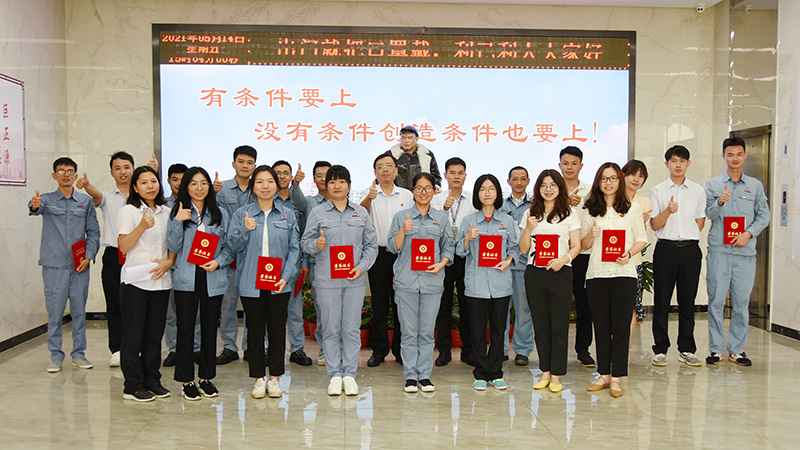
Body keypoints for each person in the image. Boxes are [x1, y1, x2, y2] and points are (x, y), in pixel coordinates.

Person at [301, 165, 378, 396]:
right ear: (326, 186)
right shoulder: (318, 213)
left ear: (349, 185)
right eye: (332, 182)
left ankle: (350, 374)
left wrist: (361, 267)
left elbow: (371, 245)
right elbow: (305, 243)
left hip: (354, 280)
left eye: (341, 181)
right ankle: (335, 374)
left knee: (351, 329)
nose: (337, 186)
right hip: (327, 281)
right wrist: (317, 245)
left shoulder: (360, 213)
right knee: (330, 328)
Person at [76, 151, 158, 367]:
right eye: (118, 168)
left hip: (141, 255)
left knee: (141, 305)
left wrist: (152, 175)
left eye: (127, 167)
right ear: (111, 172)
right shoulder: (107, 197)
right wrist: (86, 184)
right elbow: (95, 193)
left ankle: (139, 348)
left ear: (133, 169)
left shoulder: (144, 196)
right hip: (115, 256)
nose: (123, 172)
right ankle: (117, 349)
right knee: (114, 304)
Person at [229, 165, 300, 398]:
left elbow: (294, 248)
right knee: (255, 331)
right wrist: (245, 229)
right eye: (259, 182)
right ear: (253, 186)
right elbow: (232, 246)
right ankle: (258, 378)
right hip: (251, 282)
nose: (265, 186)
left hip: (279, 282)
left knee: (278, 331)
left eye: (270, 181)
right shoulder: (242, 214)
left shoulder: (287, 214)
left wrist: (286, 276)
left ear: (276, 185)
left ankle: (276, 378)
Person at [167, 167, 234, 400]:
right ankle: (186, 380)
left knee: (209, 328)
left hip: (212, 276)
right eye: (194, 183)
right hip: (186, 277)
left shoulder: (220, 213)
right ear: (186, 187)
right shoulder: (178, 211)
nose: (199, 188)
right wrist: (178, 222)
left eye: (204, 183)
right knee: (186, 329)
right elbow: (172, 246)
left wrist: (218, 261)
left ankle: (206, 377)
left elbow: (230, 247)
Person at [581, 163, 647, 398]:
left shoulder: (632, 208)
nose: (608, 183)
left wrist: (629, 253)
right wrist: (591, 235)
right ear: (598, 182)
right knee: (600, 327)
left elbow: (642, 239)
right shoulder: (590, 208)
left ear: (620, 180)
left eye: (612, 178)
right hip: (597, 275)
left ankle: (617, 377)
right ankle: (603, 375)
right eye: (603, 179)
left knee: (620, 328)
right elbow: (583, 245)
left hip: (624, 274)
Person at [29, 157, 101, 373]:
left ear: (76, 175)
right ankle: (55, 356)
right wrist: (34, 205)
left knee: (79, 312)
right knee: (55, 312)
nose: (66, 174)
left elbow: (94, 232)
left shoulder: (85, 201)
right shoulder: (47, 200)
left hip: (79, 266)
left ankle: (79, 354)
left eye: (70, 171)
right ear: (54, 175)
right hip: (54, 266)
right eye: (61, 171)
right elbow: (36, 207)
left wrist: (89, 256)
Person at [704, 137, 770, 366]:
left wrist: (748, 233)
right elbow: (709, 215)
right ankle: (716, 350)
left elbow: (764, 215)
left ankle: (737, 350)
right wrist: (719, 203)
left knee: (741, 303)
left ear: (744, 156)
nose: (734, 158)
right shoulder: (713, 184)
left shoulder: (755, 186)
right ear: (723, 156)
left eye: (738, 154)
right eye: (730, 154)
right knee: (716, 302)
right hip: (719, 252)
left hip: (745, 253)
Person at [387, 172, 454, 392]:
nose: (423, 192)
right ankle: (410, 376)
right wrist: (403, 231)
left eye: (428, 188)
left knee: (426, 332)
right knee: (408, 332)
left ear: (434, 191)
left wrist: (442, 263)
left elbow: (448, 247)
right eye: (419, 188)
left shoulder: (441, 218)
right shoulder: (401, 217)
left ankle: (424, 375)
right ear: (413, 191)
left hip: (432, 283)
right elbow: (392, 247)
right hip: (406, 283)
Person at [456, 174, 520, 391]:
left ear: (497, 193)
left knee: (499, 331)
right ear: (477, 194)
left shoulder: (507, 221)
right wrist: (467, 238)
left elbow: (514, 248)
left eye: (491, 189)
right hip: (476, 286)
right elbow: (459, 251)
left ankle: (496, 372)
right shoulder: (468, 221)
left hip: (500, 284)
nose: (487, 193)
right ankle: (481, 373)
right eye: (482, 189)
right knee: (477, 332)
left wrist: (508, 261)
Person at [117, 165, 175, 402]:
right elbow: (123, 246)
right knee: (133, 336)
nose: (150, 186)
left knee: (154, 336)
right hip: (136, 283)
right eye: (144, 182)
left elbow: (173, 243)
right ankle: (132, 385)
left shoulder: (166, 212)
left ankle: (152, 379)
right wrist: (141, 226)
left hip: (161, 282)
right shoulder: (129, 211)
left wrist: (169, 262)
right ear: (135, 187)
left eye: (153, 181)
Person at [519, 170, 581, 392]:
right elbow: (523, 248)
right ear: (538, 189)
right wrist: (528, 228)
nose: (548, 189)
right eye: (544, 185)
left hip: (560, 273)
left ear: (560, 187)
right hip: (535, 273)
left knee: (559, 325)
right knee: (541, 325)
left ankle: (557, 375)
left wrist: (563, 260)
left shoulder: (570, 213)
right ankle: (545, 371)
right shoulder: (530, 213)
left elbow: (577, 246)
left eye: (553, 185)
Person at [648, 146, 706, 367]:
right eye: (674, 161)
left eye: (682, 161)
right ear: (667, 164)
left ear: (688, 163)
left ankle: (687, 349)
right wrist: (668, 211)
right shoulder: (658, 191)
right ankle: (660, 349)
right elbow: (655, 224)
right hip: (666, 249)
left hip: (690, 250)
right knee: (661, 301)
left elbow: (700, 221)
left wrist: (688, 236)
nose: (678, 165)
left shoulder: (698, 191)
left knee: (687, 301)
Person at [360, 153, 414, 367]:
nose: (385, 170)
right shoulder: (369, 194)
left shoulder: (407, 195)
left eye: (389, 166)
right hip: (378, 254)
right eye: (380, 166)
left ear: (396, 170)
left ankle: (400, 350)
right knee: (379, 303)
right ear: (375, 172)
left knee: (401, 303)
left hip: (402, 254)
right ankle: (379, 350)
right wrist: (369, 198)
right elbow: (359, 215)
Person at [212, 145, 257, 365]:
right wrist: (212, 193)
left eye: (249, 162)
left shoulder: (259, 189)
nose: (245, 166)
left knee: (252, 306)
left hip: (252, 257)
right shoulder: (221, 189)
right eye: (241, 161)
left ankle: (250, 347)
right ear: (233, 164)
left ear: (255, 166)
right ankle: (229, 347)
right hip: (229, 255)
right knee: (228, 305)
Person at [430, 157, 477, 366]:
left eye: (460, 173)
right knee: (443, 306)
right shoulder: (436, 200)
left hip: (466, 257)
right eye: (452, 173)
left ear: (465, 176)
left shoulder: (473, 201)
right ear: (445, 175)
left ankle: (468, 351)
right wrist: (444, 210)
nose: (456, 177)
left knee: (467, 306)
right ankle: (444, 352)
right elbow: (432, 225)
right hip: (443, 257)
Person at [272, 160, 313, 366]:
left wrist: (304, 262)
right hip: (270, 264)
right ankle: (268, 349)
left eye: (285, 173)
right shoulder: (265, 200)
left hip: (294, 264)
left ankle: (297, 349)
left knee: (294, 311)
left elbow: (305, 234)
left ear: (291, 176)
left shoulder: (298, 202)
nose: (281, 176)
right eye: (277, 173)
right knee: (269, 311)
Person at [558, 146, 595, 367]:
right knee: (559, 307)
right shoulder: (551, 188)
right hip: (558, 256)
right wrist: (563, 201)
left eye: (574, 163)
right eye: (565, 163)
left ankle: (583, 349)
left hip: (584, 254)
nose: (569, 167)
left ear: (581, 165)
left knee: (585, 305)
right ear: (559, 165)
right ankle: (558, 351)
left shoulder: (591, 191)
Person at [162, 163, 200, 367]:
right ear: (168, 181)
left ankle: (196, 348)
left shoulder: (199, 207)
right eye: (174, 179)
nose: (178, 183)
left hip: (192, 266)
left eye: (183, 179)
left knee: (195, 312)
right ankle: (174, 349)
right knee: (171, 312)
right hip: (168, 265)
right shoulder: (163, 205)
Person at [500, 166, 535, 365]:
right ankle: (501, 349)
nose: (519, 182)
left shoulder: (535, 206)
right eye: (515, 179)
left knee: (524, 310)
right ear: (509, 182)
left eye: (523, 178)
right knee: (501, 310)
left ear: (528, 181)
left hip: (524, 264)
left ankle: (522, 351)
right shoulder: (500, 205)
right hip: (503, 265)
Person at [621, 160, 653, 360]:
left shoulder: (644, 202)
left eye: (641, 176)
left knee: (632, 305)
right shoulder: (612, 198)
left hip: (634, 261)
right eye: (633, 174)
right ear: (623, 175)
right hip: (610, 262)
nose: (636, 179)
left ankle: (623, 349)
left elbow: (641, 235)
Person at [305, 161, 332, 365]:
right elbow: (305, 236)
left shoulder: (349, 206)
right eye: (319, 175)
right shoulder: (310, 204)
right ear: (314, 180)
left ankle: (343, 349)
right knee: (323, 309)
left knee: (343, 311)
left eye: (327, 175)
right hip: (319, 263)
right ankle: (325, 350)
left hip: (345, 265)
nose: (323, 179)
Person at [389, 125, 442, 190]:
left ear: (416, 139)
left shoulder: (427, 154)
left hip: (421, 193)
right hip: (397, 193)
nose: (406, 141)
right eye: (403, 138)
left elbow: (436, 176)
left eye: (410, 138)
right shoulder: (391, 155)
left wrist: (436, 188)